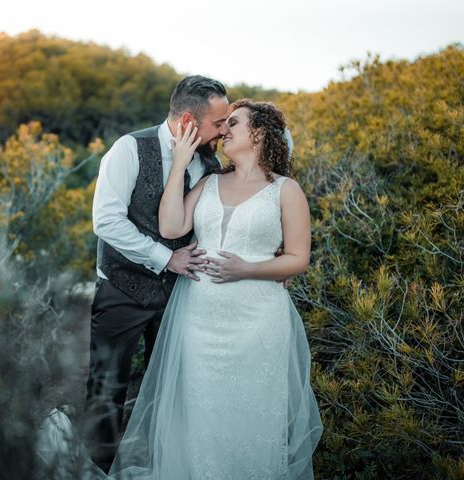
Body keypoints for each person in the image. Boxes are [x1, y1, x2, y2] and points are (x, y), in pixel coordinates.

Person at [102, 99, 323, 478]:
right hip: (199, 315)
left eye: (234, 123)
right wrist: (180, 164)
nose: (224, 130)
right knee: (199, 406)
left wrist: (248, 268)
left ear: (259, 133)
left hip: (257, 319)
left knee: (250, 408)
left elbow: (298, 258)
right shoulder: (208, 181)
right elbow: (171, 227)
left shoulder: (286, 191)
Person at [82, 75, 230, 473]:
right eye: (218, 123)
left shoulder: (209, 159)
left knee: (172, 388)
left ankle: (163, 467)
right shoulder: (129, 149)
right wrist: (165, 258)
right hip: (122, 291)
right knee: (106, 389)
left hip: (181, 295)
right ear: (188, 120)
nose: (224, 130)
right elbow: (107, 222)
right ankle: (97, 471)